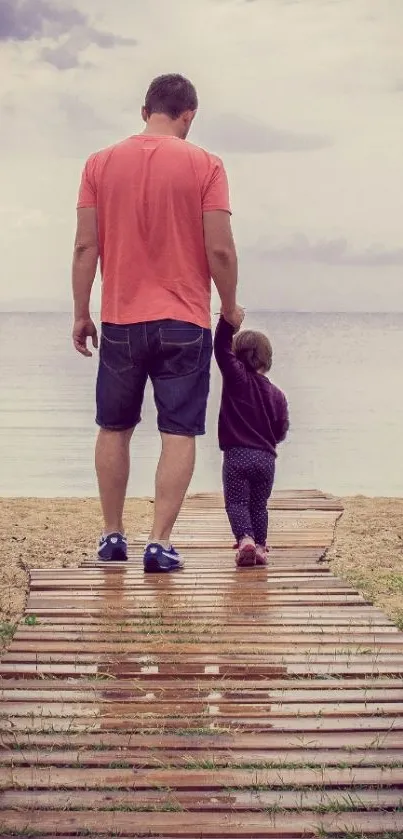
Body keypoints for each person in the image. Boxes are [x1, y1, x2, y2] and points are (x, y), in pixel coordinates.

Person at [71, 73, 244, 572]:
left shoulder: (98, 164)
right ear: (188, 114)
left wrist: (82, 312)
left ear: (144, 110)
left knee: (113, 427)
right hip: (185, 320)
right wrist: (229, 306)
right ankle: (160, 542)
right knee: (178, 432)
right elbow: (220, 248)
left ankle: (111, 536)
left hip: (121, 319)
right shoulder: (206, 164)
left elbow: (86, 246)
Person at [214, 315, 289, 566]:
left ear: (237, 357)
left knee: (236, 502)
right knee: (259, 505)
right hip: (266, 459)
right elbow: (281, 429)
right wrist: (270, 441)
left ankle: (244, 538)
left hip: (237, 456)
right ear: (267, 360)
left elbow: (220, 348)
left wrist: (228, 320)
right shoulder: (277, 395)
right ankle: (259, 546)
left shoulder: (237, 380)